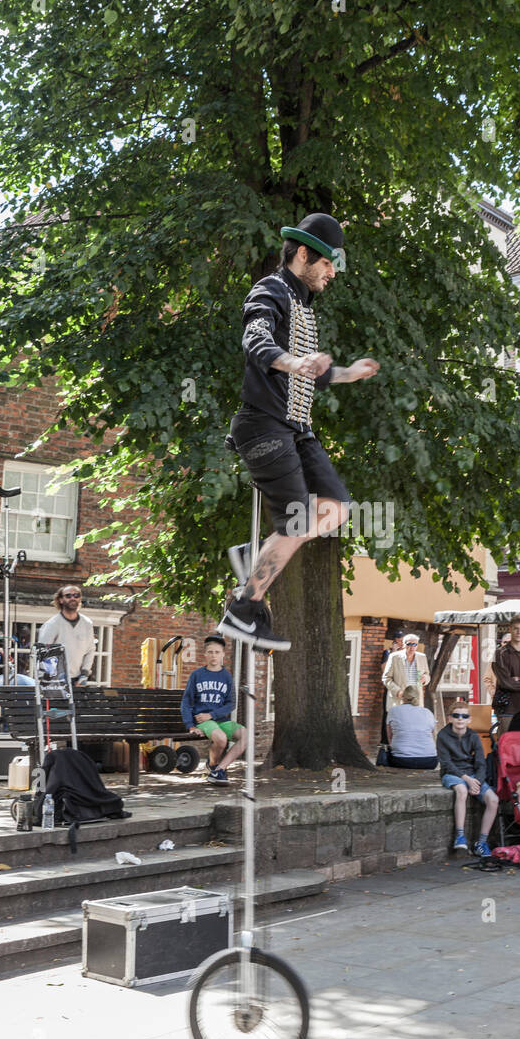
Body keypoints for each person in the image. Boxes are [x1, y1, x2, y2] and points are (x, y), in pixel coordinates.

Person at [219, 213, 379, 652]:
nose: (331, 273)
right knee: (297, 521)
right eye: (327, 263)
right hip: (264, 426)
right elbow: (257, 341)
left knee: (338, 508)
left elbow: (315, 375)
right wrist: (293, 362)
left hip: (297, 430)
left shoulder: (303, 305)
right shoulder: (269, 291)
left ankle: (255, 558)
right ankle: (243, 608)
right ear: (304, 253)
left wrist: (347, 373)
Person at [180, 634, 246, 783]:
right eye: (210, 652)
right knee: (221, 739)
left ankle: (219, 770)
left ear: (223, 654)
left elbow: (231, 704)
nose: (213, 655)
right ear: (205, 654)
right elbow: (186, 702)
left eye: (217, 652)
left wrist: (212, 714)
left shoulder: (227, 677)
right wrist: (190, 725)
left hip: (220, 719)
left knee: (245, 735)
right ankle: (212, 766)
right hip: (202, 720)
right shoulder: (197, 675)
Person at [437, 703, 499, 856]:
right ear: (450, 718)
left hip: (472, 774)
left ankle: (481, 842)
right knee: (462, 790)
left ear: (469, 719)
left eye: (464, 716)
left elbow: (480, 762)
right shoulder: (443, 735)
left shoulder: (473, 736)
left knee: (493, 799)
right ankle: (460, 836)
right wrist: (466, 780)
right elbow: (446, 763)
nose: (460, 719)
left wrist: (476, 781)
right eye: (456, 715)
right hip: (451, 774)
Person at [37, 585, 96, 685]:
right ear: (61, 600)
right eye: (68, 596)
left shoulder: (87, 623)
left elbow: (90, 650)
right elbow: (43, 652)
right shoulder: (52, 624)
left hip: (77, 680)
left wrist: (84, 674)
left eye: (76, 595)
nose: (73, 598)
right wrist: (48, 678)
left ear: (80, 599)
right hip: (55, 680)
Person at [384, 684, 438, 768]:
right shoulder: (428, 712)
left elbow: (390, 737)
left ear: (403, 696)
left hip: (402, 760)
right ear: (418, 696)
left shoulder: (393, 711)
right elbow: (432, 734)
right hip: (430, 760)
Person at [382, 633, 431, 714]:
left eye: (414, 644)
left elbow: (427, 674)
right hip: (399, 698)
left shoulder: (422, 657)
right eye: (409, 644)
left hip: (416, 699)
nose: (412, 647)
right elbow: (386, 678)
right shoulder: (394, 657)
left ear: (417, 645)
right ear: (404, 645)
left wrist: (425, 678)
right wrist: (397, 691)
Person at [380, 629, 404, 743]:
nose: (400, 644)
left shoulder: (406, 655)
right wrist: (393, 652)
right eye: (398, 641)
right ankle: (385, 741)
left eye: (402, 641)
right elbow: (384, 670)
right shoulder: (387, 653)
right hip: (390, 689)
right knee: (388, 714)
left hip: (403, 690)